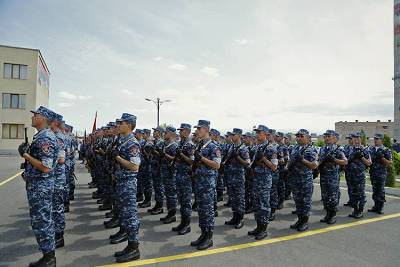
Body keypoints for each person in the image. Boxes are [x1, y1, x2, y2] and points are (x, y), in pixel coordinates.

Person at [18, 106, 58, 267]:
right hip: (38, 185)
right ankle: (48, 256)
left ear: (43, 118)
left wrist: (25, 155)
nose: (33, 117)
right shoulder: (41, 136)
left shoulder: (45, 138)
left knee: (42, 221)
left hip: (41, 187)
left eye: (36, 115)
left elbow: (46, 167)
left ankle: (49, 259)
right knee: (42, 221)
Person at [112, 113, 141, 263]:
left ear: (129, 125)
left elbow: (134, 167)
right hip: (121, 182)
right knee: (124, 215)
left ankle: (134, 247)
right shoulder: (123, 141)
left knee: (130, 216)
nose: (119, 125)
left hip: (128, 185)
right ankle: (129, 245)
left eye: (121, 123)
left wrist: (117, 157)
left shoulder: (133, 143)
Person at [190, 120, 221, 250]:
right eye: (197, 128)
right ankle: (203, 234)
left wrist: (201, 158)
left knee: (208, 211)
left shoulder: (214, 146)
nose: (197, 131)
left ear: (206, 129)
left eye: (199, 128)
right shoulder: (200, 145)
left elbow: (217, 165)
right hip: (199, 182)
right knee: (201, 210)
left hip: (208, 184)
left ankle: (209, 238)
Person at [247, 125, 277, 240]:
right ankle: (258, 227)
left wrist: (264, 159)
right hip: (256, 179)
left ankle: (263, 229)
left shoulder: (270, 148)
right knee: (256, 204)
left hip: (264, 180)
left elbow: (274, 167)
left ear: (265, 134)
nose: (257, 134)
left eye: (259, 132)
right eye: (256, 132)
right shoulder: (256, 147)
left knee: (264, 205)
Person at [287, 129, 318, 232]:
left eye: (301, 136)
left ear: (308, 138)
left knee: (305, 202)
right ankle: (299, 220)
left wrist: (302, 160)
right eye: (298, 136)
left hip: (305, 180)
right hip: (294, 179)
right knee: (297, 201)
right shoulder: (295, 148)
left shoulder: (311, 149)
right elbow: (290, 161)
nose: (298, 138)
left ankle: (304, 222)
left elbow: (314, 166)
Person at [318, 130, 347, 225]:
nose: (326, 138)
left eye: (328, 136)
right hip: (323, 176)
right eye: (325, 136)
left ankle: (333, 215)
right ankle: (328, 214)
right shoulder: (322, 149)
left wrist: (334, 159)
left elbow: (345, 162)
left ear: (334, 138)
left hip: (333, 177)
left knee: (333, 196)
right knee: (325, 196)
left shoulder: (338, 149)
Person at [172, 123, 195, 235]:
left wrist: (180, 154)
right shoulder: (181, 143)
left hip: (186, 176)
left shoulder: (189, 144)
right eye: (180, 130)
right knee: (181, 201)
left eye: (182, 130)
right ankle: (182, 222)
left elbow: (191, 161)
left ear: (187, 131)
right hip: (179, 174)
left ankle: (187, 225)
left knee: (186, 202)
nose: (180, 132)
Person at [224, 128, 250, 229]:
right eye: (231, 135)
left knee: (239, 198)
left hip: (238, 177)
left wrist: (238, 157)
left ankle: (240, 219)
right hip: (231, 176)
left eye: (233, 135)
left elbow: (247, 163)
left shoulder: (243, 148)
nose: (231, 136)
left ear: (239, 135)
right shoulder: (231, 147)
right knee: (233, 198)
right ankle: (235, 217)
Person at [50, 113, 68, 249]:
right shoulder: (52, 135)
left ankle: (59, 236)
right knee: (54, 208)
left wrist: (43, 161)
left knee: (57, 208)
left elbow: (61, 159)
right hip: (53, 177)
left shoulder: (59, 137)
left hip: (57, 178)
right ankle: (55, 234)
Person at [347, 132, 371, 218]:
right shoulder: (350, 149)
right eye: (354, 137)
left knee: (360, 194)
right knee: (353, 194)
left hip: (359, 176)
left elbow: (369, 163)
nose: (356, 139)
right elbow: (345, 161)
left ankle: (360, 211)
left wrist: (361, 157)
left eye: (358, 137)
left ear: (361, 139)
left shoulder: (365, 150)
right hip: (350, 175)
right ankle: (355, 210)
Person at [368, 134, 393, 214]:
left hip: (381, 174)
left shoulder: (386, 150)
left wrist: (382, 158)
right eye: (375, 138)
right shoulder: (371, 149)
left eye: (377, 139)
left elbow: (390, 163)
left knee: (380, 190)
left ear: (381, 140)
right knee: (375, 190)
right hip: (373, 173)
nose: (375, 140)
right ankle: (376, 206)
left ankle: (380, 207)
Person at [159, 126, 179, 224]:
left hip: (171, 173)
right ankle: (169, 213)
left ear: (171, 134)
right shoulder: (165, 144)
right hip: (165, 172)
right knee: (167, 194)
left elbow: (176, 159)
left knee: (171, 194)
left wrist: (165, 155)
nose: (164, 134)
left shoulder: (174, 145)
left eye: (166, 133)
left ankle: (173, 215)